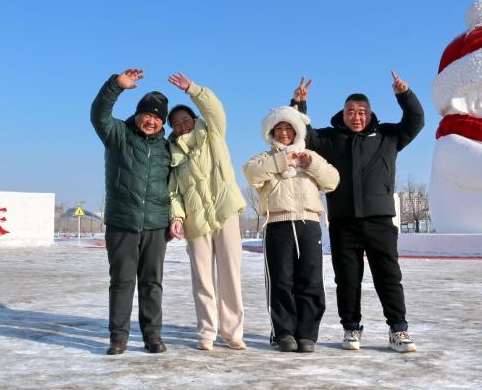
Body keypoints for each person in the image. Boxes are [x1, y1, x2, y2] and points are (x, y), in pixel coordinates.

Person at [290, 72, 424, 353]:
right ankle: (351, 328)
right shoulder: (329, 140)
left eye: (362, 112)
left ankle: (398, 330)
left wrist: (404, 95)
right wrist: (299, 104)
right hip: (343, 222)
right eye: (351, 111)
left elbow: (415, 121)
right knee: (347, 279)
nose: (356, 116)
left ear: (370, 113)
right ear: (344, 113)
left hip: (380, 220)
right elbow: (302, 135)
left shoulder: (388, 136)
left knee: (388, 276)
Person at [242, 106, 339, 353]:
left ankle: (307, 334)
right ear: (271, 132)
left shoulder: (310, 156)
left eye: (289, 127)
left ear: (297, 131)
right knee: (281, 281)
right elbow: (251, 174)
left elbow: (332, 181)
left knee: (311, 280)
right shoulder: (264, 159)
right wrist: (280, 161)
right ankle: (284, 332)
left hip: (309, 224)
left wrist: (311, 164)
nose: (284, 132)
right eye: (279, 128)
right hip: (277, 224)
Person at [90, 68, 172, 355]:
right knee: (122, 282)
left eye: (157, 117)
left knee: (152, 283)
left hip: (156, 225)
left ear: (163, 122)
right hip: (122, 223)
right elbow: (99, 113)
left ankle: (152, 336)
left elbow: (175, 186)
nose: (151, 121)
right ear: (137, 115)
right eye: (147, 115)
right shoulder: (118, 135)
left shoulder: (167, 148)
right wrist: (116, 85)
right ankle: (118, 337)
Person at [165, 72, 247, 352]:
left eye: (185, 120)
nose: (181, 126)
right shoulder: (172, 154)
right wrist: (176, 217)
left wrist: (193, 90)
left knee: (230, 275)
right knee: (202, 278)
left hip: (225, 213)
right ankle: (207, 332)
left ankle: (233, 331)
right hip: (196, 221)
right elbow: (173, 192)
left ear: (195, 119)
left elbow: (215, 109)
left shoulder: (213, 134)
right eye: (175, 124)